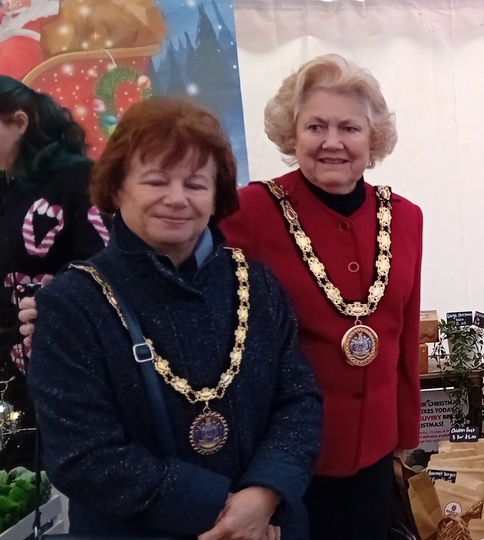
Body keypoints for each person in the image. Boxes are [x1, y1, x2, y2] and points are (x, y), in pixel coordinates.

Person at [26, 98, 322, 538]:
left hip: (268, 525)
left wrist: (265, 494)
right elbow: (82, 454)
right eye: (156, 181)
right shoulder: (71, 303)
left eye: (196, 184)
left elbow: (299, 402)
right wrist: (225, 512)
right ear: (117, 187)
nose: (177, 199)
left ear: (216, 195)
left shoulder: (257, 283)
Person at [220, 54, 423, 540]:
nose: (333, 142)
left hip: (374, 450)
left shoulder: (406, 217)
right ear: (292, 134)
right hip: (283, 461)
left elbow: (405, 330)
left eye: (349, 128)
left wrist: (405, 434)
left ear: (372, 139)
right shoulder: (249, 211)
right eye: (316, 126)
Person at [0, 74, 102, 469]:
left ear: (19, 122)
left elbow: (101, 264)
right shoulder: (7, 186)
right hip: (11, 368)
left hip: (64, 359)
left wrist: (53, 300)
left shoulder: (77, 177)